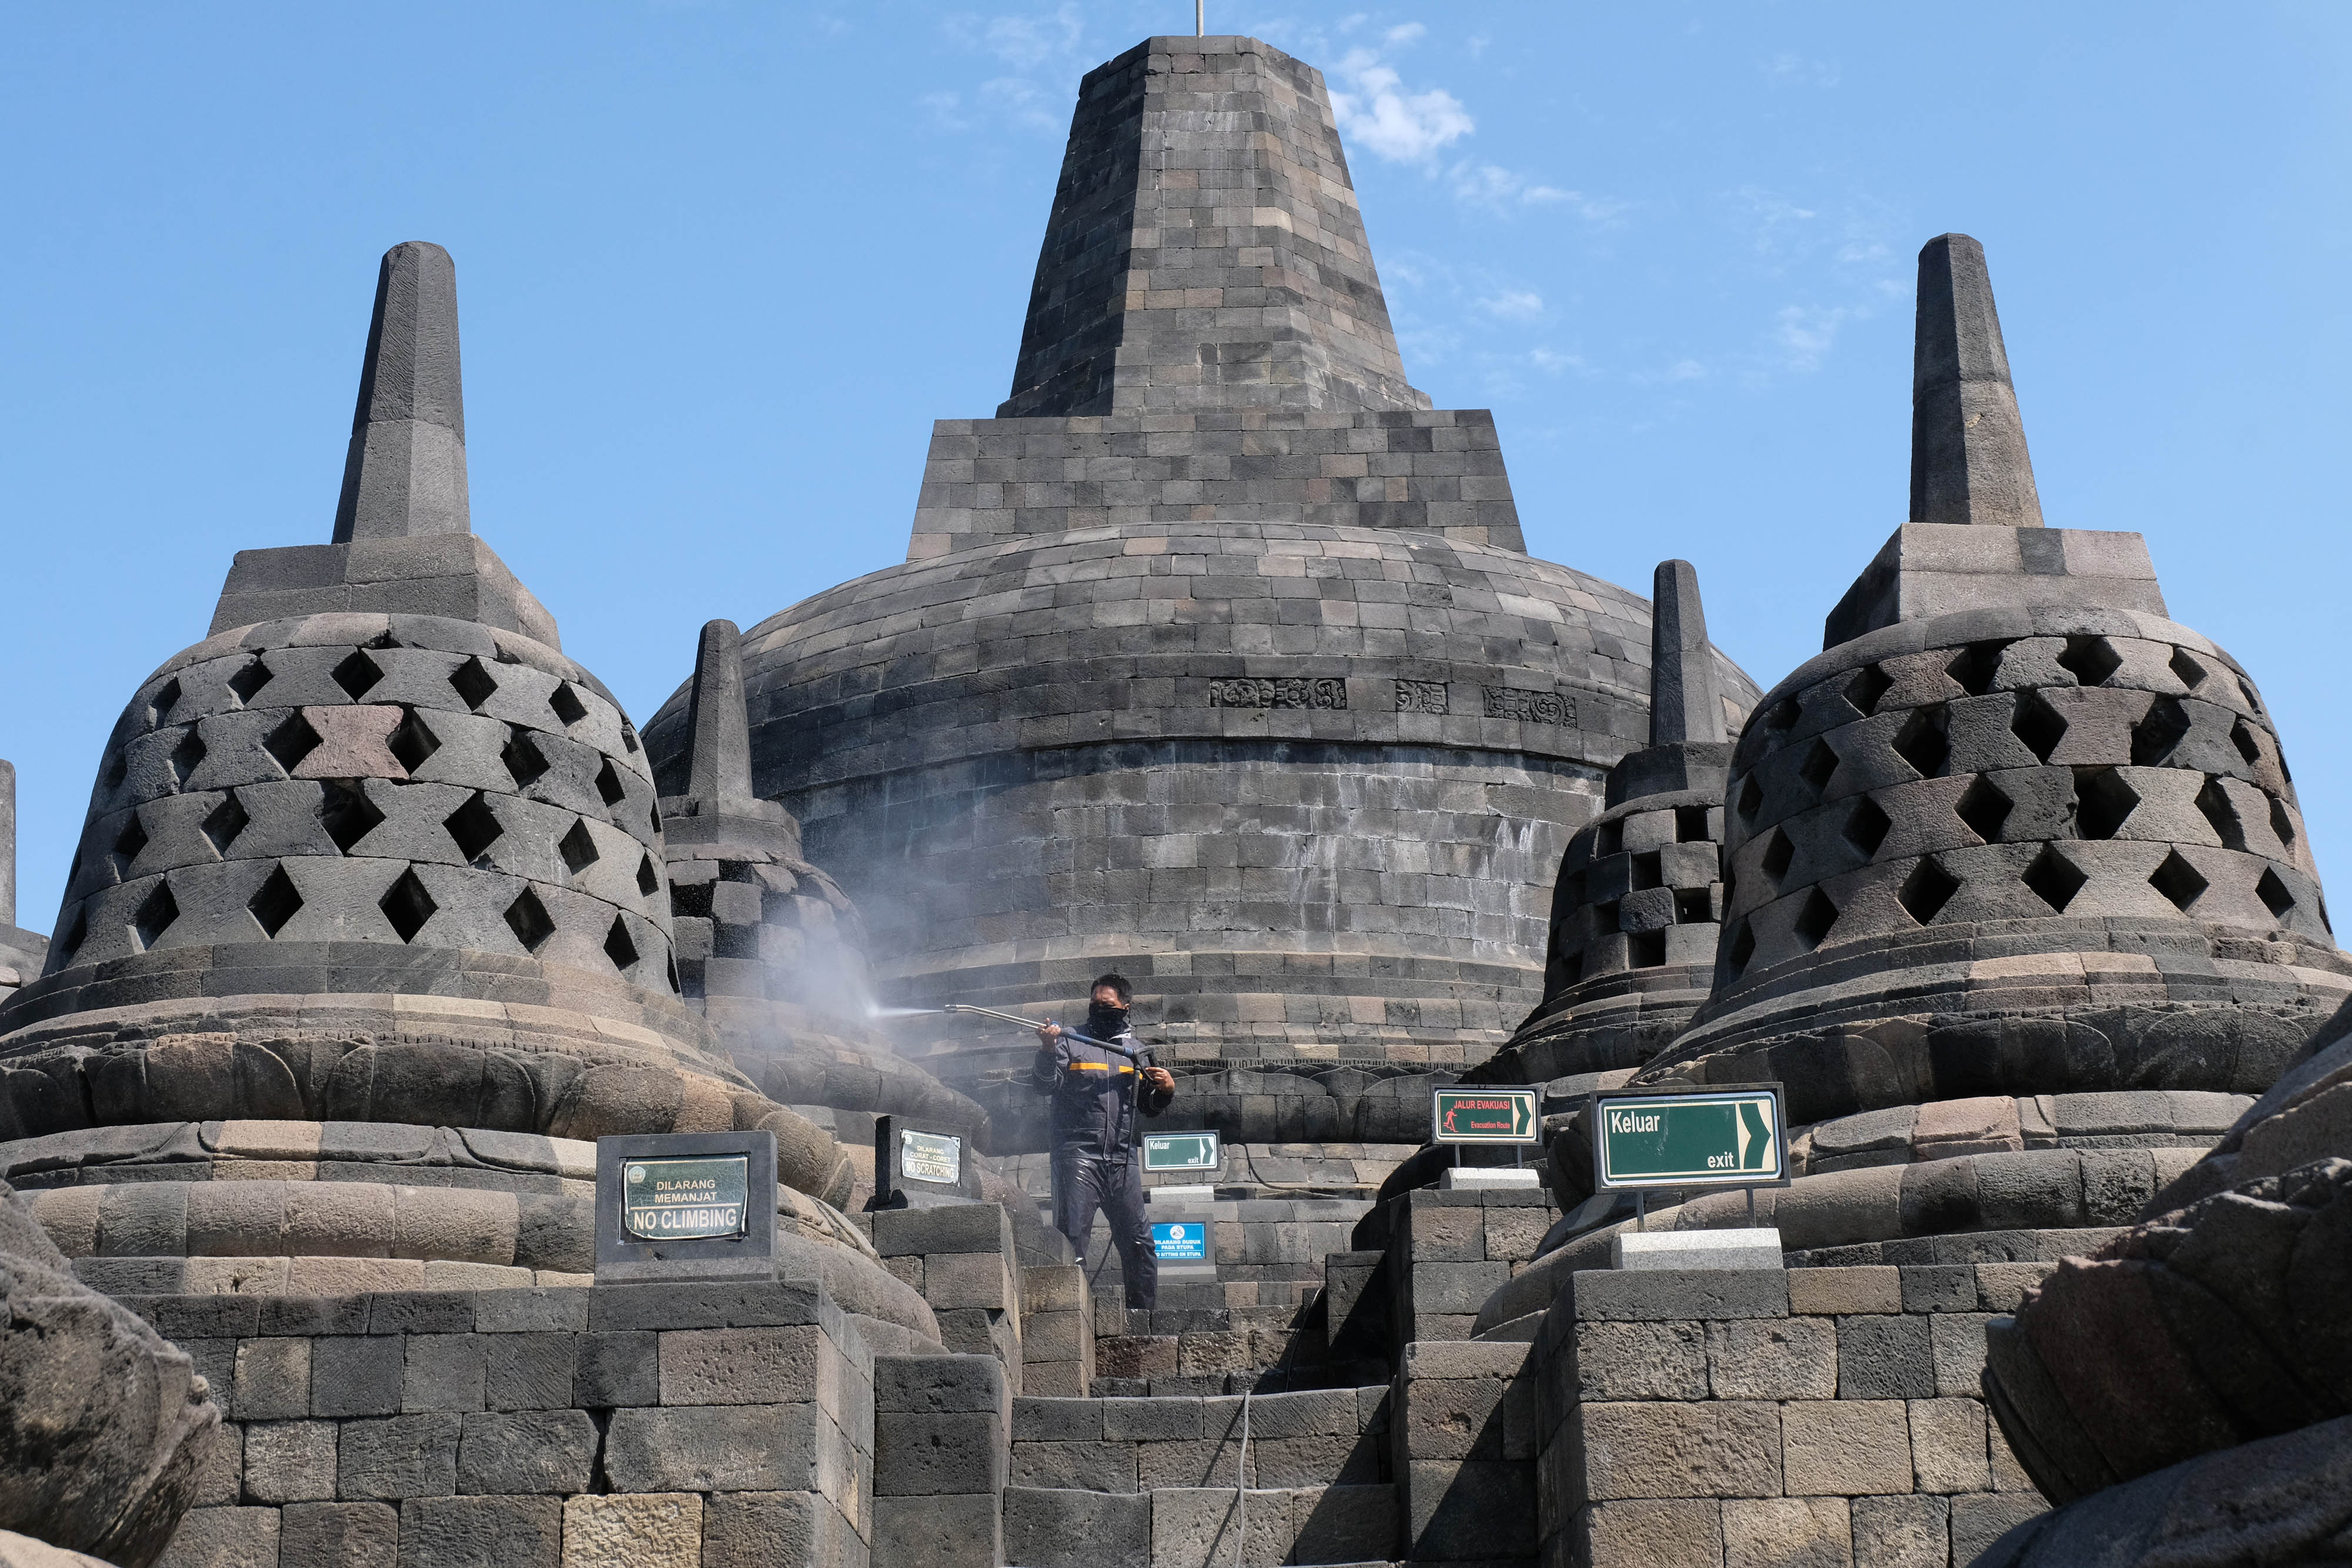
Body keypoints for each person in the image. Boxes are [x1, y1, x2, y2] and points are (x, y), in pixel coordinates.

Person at [1033, 972, 1177, 1309]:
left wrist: (1167, 1091)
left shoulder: (1139, 1052)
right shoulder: (1069, 1040)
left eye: (1107, 1004)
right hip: (1078, 1157)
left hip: (1122, 1161)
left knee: (1140, 1244)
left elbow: (1148, 1107)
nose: (1099, 1009)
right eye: (1094, 1004)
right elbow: (1045, 1085)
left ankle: (1142, 1321)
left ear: (1125, 1007)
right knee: (1072, 1242)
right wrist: (1047, 1049)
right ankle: (1071, 1320)